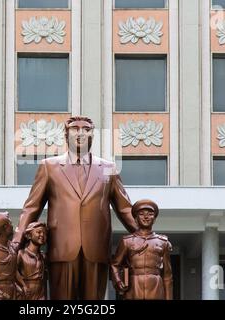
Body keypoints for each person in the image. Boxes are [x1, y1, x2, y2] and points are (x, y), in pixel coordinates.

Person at [12, 115, 138, 300]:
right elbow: (32, 207)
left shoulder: (108, 167)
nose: (81, 133)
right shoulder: (49, 167)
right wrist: (16, 240)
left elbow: (125, 208)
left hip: (96, 247)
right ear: (66, 134)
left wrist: (144, 234)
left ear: (92, 135)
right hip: (61, 247)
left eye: (86, 129)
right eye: (75, 129)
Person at [110, 200, 173, 300]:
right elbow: (115, 265)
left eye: (150, 214)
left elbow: (167, 275)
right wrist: (118, 280)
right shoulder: (127, 241)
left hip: (155, 286)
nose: (146, 217)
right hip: (134, 286)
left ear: (154, 219)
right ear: (135, 219)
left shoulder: (162, 242)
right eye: (141, 214)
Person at [16, 221, 47, 300]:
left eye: (44, 233)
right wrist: (23, 286)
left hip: (41, 292)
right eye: (38, 232)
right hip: (26, 292)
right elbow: (13, 272)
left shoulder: (43, 256)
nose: (42, 235)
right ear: (29, 235)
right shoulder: (21, 254)